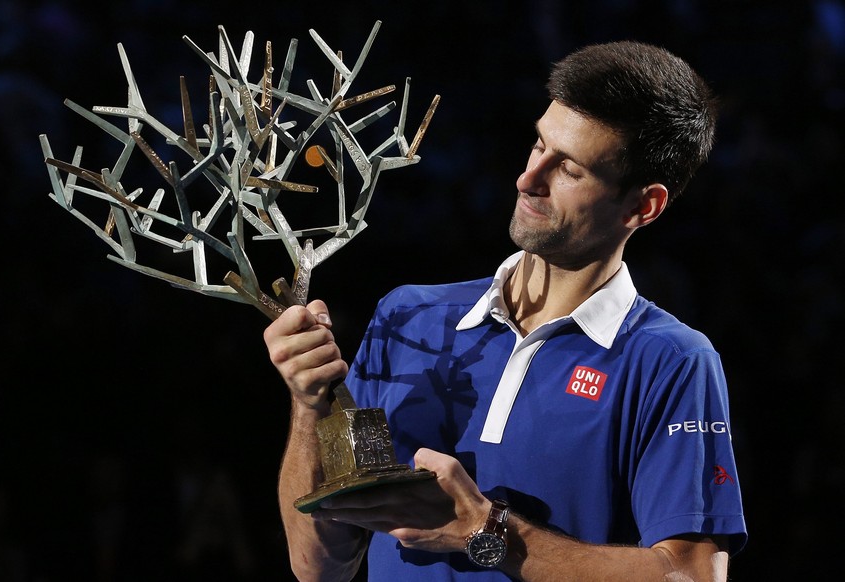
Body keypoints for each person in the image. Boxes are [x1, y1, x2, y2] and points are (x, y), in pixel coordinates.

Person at [264, 40, 747, 581]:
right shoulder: (407, 318)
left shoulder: (671, 361)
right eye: (538, 146)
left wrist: (485, 531)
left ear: (644, 206)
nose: (528, 179)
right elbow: (319, 568)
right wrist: (309, 405)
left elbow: (692, 576)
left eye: (569, 170)